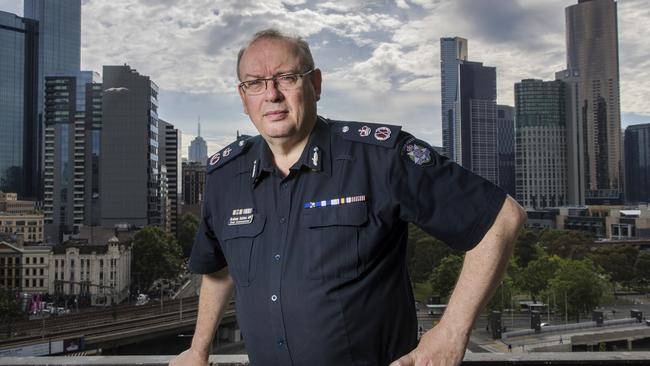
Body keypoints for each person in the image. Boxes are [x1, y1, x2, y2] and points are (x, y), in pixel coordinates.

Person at [170, 29, 525, 366]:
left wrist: (451, 332)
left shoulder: (381, 158)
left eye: (287, 78)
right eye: (256, 84)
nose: (272, 94)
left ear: (316, 84)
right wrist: (198, 348)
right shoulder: (223, 178)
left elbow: (501, 218)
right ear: (244, 98)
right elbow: (217, 269)